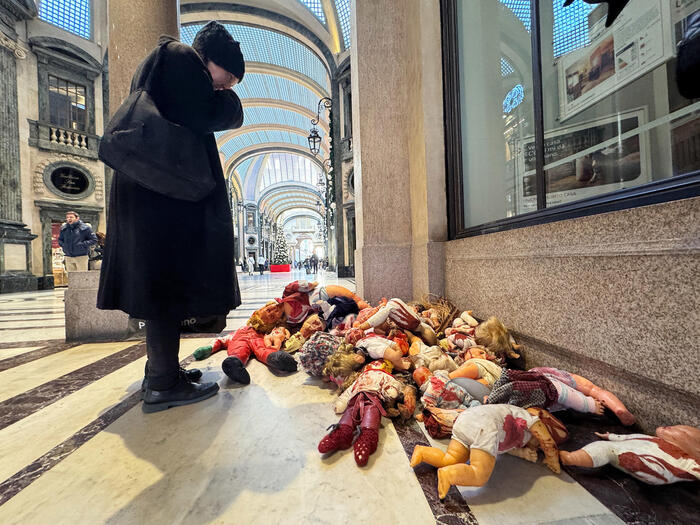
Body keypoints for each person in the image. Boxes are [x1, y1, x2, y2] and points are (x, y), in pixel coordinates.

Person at [97, 21, 245, 413]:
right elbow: (204, 112)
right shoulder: (179, 58)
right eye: (227, 77)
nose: (226, 87)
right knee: (165, 287)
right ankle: (163, 383)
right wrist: (231, 106)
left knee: (163, 284)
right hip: (161, 200)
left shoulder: (167, 64)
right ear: (210, 59)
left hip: (156, 195)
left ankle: (161, 372)